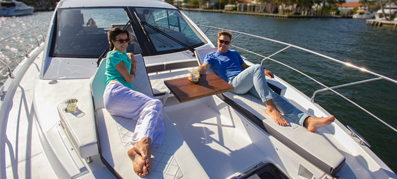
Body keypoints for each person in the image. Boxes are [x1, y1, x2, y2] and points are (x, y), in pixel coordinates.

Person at [189, 30, 335, 132]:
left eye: (226, 42)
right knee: (258, 69)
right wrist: (195, 74)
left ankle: (307, 120)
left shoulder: (234, 53)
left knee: (273, 95)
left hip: (245, 81)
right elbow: (204, 67)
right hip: (233, 84)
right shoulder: (212, 56)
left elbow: (245, 67)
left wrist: (262, 71)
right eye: (221, 41)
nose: (223, 44)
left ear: (230, 43)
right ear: (217, 41)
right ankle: (270, 108)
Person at [103, 27, 165, 177]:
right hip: (115, 91)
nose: (124, 43)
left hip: (121, 101)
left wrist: (129, 57)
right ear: (112, 41)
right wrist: (134, 63)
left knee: (158, 121)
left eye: (127, 40)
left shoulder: (123, 54)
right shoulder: (114, 54)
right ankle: (142, 142)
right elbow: (129, 79)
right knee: (155, 104)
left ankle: (137, 152)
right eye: (120, 40)